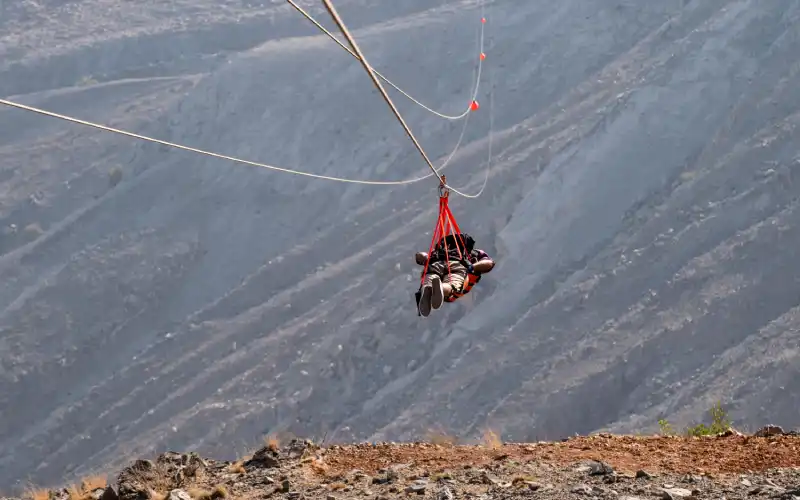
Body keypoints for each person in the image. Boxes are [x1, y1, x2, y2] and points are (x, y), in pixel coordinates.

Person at [414, 232, 495, 317]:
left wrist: (428, 259)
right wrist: (471, 267)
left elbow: (420, 256)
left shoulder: (439, 252)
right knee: (452, 286)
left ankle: (428, 288)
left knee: (429, 279)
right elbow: (489, 263)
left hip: (436, 264)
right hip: (458, 267)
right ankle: (440, 288)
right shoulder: (472, 254)